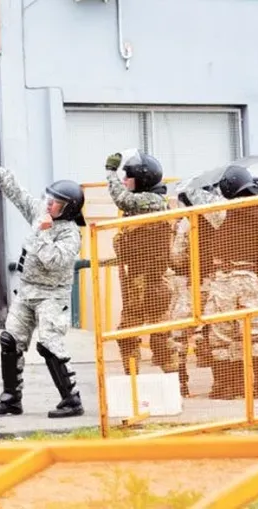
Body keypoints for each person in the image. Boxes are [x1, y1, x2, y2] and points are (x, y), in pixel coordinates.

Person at [0, 161, 86, 419]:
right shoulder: (41, 214)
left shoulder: (69, 233)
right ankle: (11, 398)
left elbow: (54, 260)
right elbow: (19, 195)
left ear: (68, 208)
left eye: (56, 202)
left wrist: (44, 233)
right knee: (10, 340)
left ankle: (71, 400)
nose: (48, 204)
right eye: (49, 198)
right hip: (26, 291)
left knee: (49, 344)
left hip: (51, 294)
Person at [201, 166, 258, 398]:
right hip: (250, 278)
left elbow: (198, 198)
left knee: (221, 336)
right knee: (256, 334)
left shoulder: (220, 211)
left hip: (223, 279)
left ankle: (227, 387)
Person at [104, 151, 175, 379]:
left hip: (147, 282)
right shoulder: (148, 203)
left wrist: (110, 173)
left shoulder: (151, 201)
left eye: (129, 177)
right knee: (155, 332)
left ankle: (170, 381)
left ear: (142, 179)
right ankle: (139, 381)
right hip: (142, 280)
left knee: (136, 333)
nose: (125, 181)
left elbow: (123, 199)